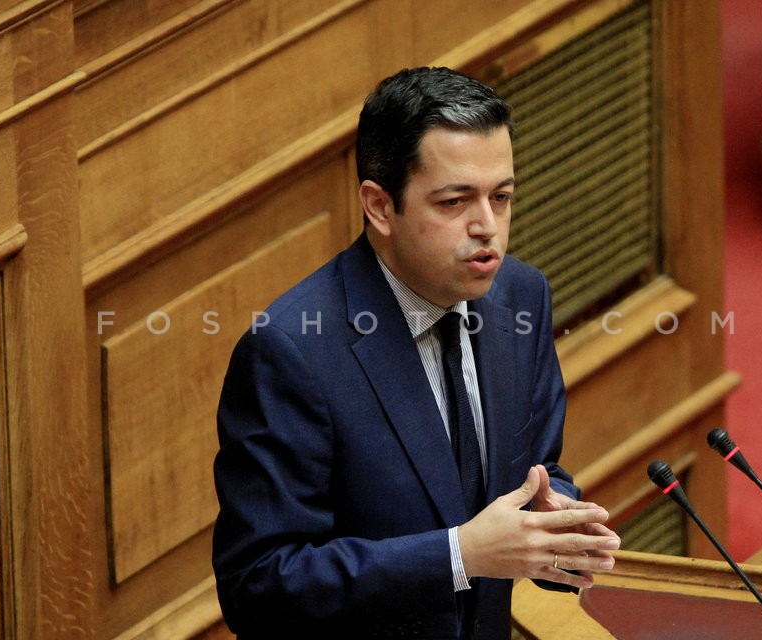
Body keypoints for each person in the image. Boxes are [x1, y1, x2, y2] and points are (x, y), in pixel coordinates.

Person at [212, 66, 620, 639]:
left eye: (501, 197)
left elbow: (537, 468)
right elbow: (260, 585)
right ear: (380, 206)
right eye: (455, 202)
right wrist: (458, 555)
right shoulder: (291, 353)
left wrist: (555, 523)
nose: (489, 229)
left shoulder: (521, 296)